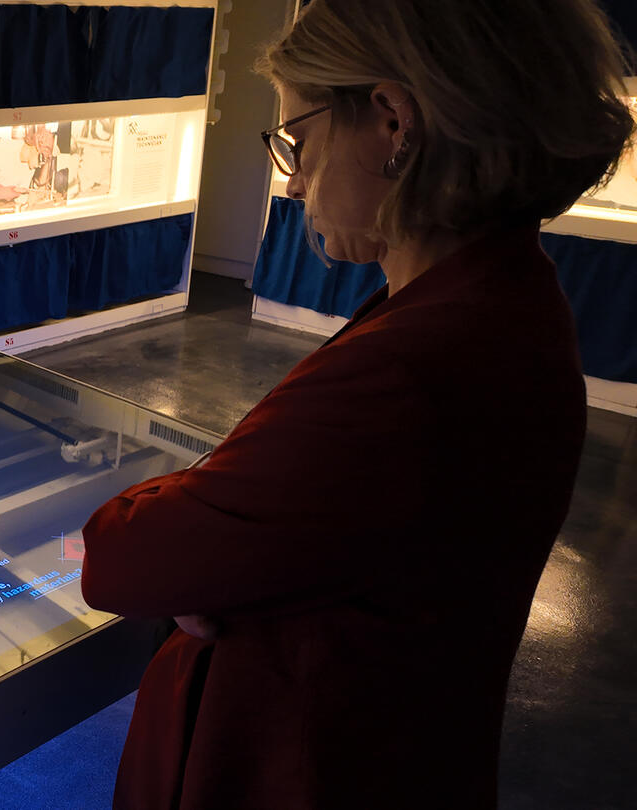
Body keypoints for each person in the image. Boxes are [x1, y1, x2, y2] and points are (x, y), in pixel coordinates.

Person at [79, 1, 633, 808]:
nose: (293, 177)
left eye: (297, 143)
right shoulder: (505, 298)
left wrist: (197, 539)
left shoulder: (415, 369)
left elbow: (124, 556)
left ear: (393, 122)